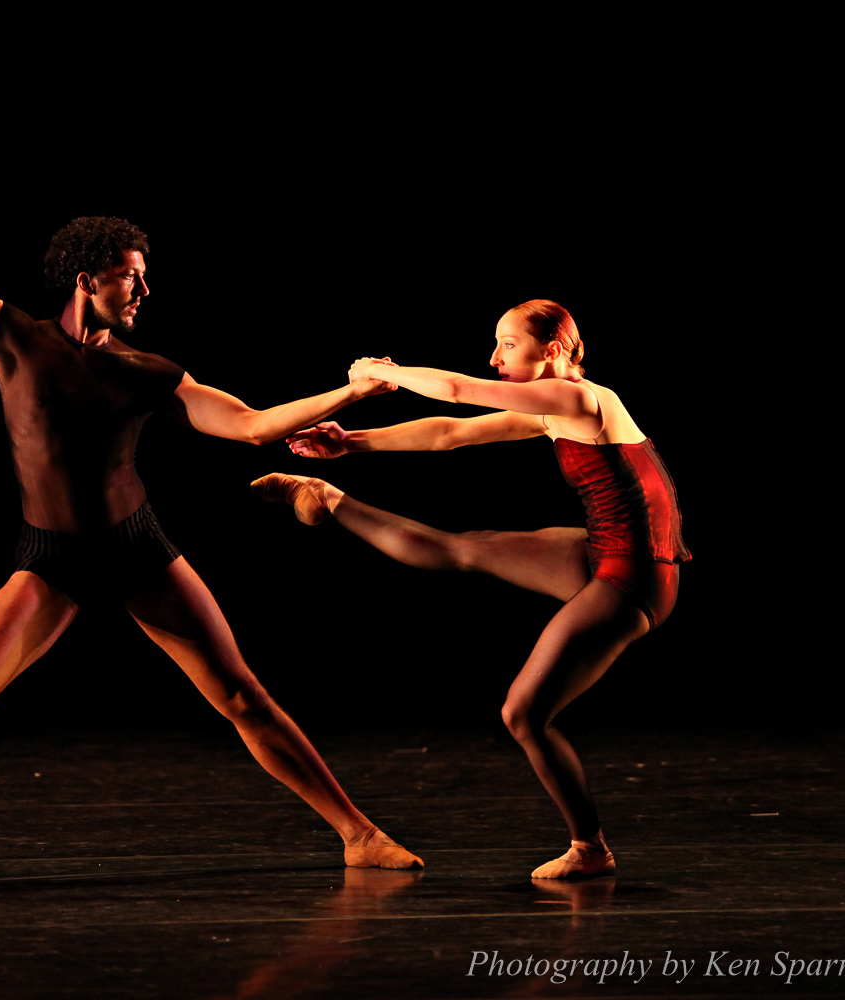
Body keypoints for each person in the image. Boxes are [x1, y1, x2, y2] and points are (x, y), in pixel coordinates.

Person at [0, 170, 423, 878]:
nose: (144, 291)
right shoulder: (13, 336)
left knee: (241, 694)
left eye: (143, 278)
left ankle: (358, 834)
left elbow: (252, 426)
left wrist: (351, 391)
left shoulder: (149, 372)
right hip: (52, 557)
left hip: (137, 546)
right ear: (88, 280)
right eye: (131, 278)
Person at [252, 300, 690, 879]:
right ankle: (324, 496)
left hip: (634, 576)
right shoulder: (554, 410)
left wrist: (385, 372)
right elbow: (448, 433)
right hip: (602, 553)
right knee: (459, 548)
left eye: (508, 344)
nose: (495, 357)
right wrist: (350, 443)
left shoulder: (583, 399)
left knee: (523, 713)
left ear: (553, 349)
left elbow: (458, 391)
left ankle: (590, 847)